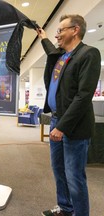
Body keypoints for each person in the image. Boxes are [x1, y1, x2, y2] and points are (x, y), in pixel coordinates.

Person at [37, 14, 101, 216]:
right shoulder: (61, 57)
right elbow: (50, 48)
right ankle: (65, 208)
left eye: (61, 30)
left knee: (74, 176)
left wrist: (62, 127)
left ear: (75, 30)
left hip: (73, 127)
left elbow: (83, 96)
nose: (57, 36)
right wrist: (43, 37)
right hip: (56, 119)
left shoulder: (89, 54)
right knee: (59, 171)